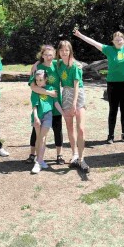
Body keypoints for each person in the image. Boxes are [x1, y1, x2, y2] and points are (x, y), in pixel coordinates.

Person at [26, 45, 65, 165]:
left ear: (54, 55)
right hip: (43, 104)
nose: (48, 57)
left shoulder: (58, 65)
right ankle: (32, 154)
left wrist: (78, 64)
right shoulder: (38, 67)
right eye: (46, 54)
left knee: (58, 130)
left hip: (55, 103)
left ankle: (59, 155)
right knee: (36, 130)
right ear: (42, 55)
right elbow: (33, 87)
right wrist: (49, 93)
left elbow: (70, 61)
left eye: (51, 55)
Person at [57, 39, 89, 172]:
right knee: (69, 128)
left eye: (67, 50)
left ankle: (82, 158)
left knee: (80, 128)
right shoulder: (57, 64)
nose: (64, 52)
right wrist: (35, 65)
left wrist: (74, 103)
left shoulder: (75, 65)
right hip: (65, 95)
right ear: (58, 51)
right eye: (62, 50)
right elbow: (44, 61)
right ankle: (74, 154)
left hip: (77, 95)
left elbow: (76, 85)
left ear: (70, 51)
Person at [30, 69, 64, 173]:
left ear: (46, 79)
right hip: (37, 117)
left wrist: (64, 114)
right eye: (37, 80)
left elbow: (56, 103)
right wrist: (36, 117)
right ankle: (39, 160)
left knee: (43, 138)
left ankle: (39, 161)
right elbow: (34, 106)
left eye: (41, 80)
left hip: (48, 116)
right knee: (38, 138)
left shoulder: (51, 89)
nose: (38, 82)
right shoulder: (35, 90)